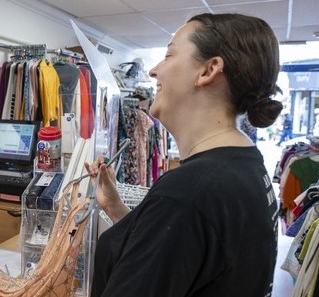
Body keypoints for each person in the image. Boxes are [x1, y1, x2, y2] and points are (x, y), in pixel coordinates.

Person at [85, 13, 282, 297]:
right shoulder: (245, 163)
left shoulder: (189, 191)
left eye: (168, 55)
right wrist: (116, 209)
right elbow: (190, 255)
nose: (154, 71)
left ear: (208, 70)